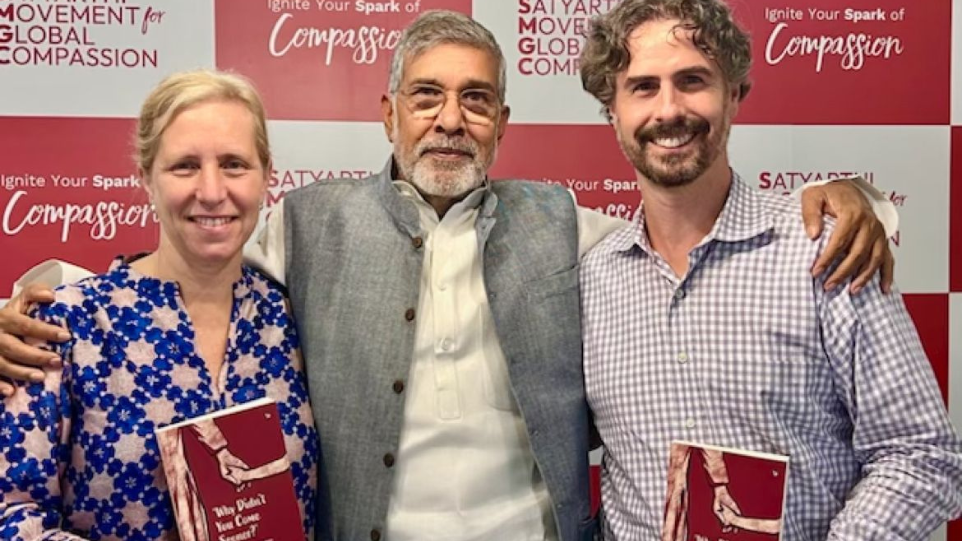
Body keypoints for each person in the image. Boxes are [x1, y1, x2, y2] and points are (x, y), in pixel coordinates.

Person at [0, 10, 894, 541]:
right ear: (388, 112)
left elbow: (679, 233)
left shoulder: (570, 224)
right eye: (426, 95)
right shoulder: (305, 224)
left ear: (503, 119)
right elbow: (189, 257)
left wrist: (853, 200)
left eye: (474, 99)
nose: (449, 120)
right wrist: (35, 296)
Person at [577, 1, 962, 539]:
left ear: (733, 96)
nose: (668, 110)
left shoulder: (826, 249)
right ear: (611, 110)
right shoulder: (590, 279)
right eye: (643, 87)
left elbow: (920, 454)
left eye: (693, 81)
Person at [0, 70, 320, 540]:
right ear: (146, 177)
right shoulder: (67, 326)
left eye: (234, 164)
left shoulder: (295, 319)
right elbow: (11, 510)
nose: (212, 192)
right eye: (185, 166)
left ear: (267, 175)